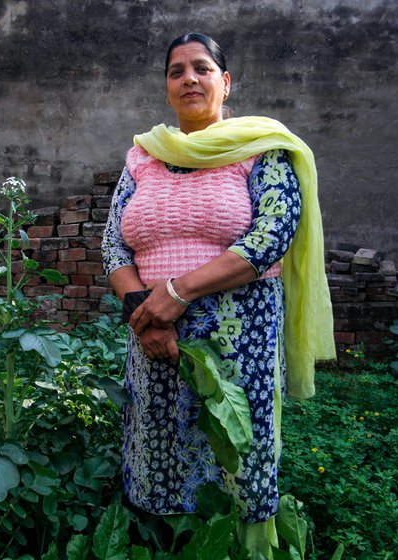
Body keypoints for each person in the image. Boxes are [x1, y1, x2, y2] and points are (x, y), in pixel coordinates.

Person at [101, 32, 335, 556]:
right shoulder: (143, 157)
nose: (189, 78)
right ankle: (163, 543)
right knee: (157, 444)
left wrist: (177, 292)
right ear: (166, 88)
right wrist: (147, 313)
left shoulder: (261, 149)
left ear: (224, 83)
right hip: (153, 336)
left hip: (239, 333)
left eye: (202, 68)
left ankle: (238, 546)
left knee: (235, 446)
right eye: (177, 70)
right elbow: (113, 243)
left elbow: (273, 233)